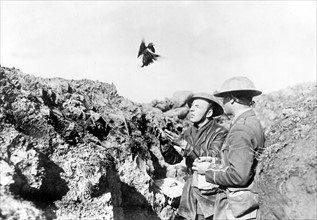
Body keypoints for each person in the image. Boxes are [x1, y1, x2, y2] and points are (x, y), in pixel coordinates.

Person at [192, 76, 265, 220]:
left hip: (238, 206)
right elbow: (243, 160)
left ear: (232, 98)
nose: (222, 102)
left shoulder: (241, 129)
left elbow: (239, 176)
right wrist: (216, 161)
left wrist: (207, 170)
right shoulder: (251, 121)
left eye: (224, 98)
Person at [160, 92, 228, 220]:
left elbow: (213, 156)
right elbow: (174, 159)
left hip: (209, 195)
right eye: (191, 106)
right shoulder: (189, 132)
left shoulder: (220, 133)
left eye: (197, 106)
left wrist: (185, 145)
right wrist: (165, 144)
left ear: (209, 113)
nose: (191, 109)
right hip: (189, 194)